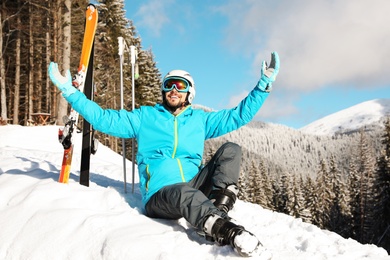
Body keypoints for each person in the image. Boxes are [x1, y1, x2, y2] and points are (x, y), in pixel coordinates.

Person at [48, 51, 279, 257]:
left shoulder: (199, 120)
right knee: (183, 193)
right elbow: (103, 118)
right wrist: (70, 92)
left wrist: (263, 86)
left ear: (190, 92)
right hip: (161, 194)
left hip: (192, 185)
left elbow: (238, 116)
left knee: (231, 150)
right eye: (169, 85)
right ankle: (227, 231)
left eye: (179, 85)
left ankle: (218, 212)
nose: (173, 90)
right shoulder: (145, 117)